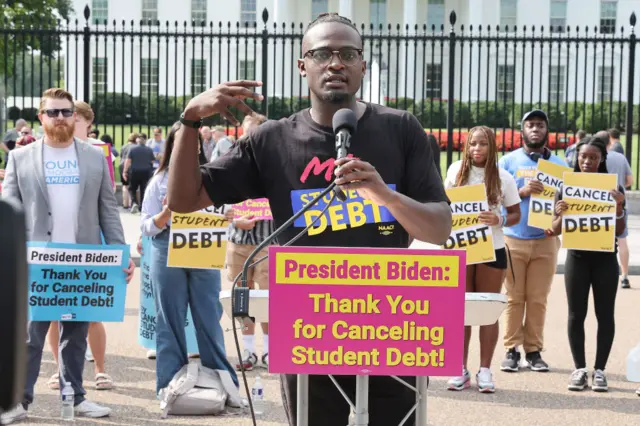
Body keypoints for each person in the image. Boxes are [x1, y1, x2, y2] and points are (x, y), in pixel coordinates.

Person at [166, 13, 452, 426]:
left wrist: (383, 194)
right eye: (322, 53)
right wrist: (191, 119)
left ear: (362, 66)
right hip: (310, 320)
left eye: (348, 54)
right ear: (303, 65)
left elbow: (439, 229)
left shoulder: (401, 128)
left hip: (390, 318)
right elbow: (184, 199)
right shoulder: (272, 140)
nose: (335, 63)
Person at [0, 88, 135, 424]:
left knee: (76, 334)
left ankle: (74, 396)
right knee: (31, 334)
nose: (59, 118)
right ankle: (18, 401)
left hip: (83, 261)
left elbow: (108, 208)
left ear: (76, 116)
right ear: (40, 118)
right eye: (52, 112)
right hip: (37, 262)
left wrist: (121, 252)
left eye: (65, 112)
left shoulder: (94, 157)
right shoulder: (20, 158)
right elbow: (9, 210)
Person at [140, 121, 238, 396]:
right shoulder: (158, 181)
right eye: (182, 139)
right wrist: (167, 213)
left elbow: (223, 216)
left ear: (199, 146)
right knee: (169, 318)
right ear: (173, 144)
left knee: (208, 316)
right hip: (166, 247)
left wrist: (228, 219)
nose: (188, 145)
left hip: (203, 249)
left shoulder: (211, 178)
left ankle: (222, 383)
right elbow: (146, 225)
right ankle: (169, 385)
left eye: (193, 140)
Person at [44, 100, 115, 391]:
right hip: (53, 244)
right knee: (52, 311)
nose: (67, 122)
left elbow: (107, 202)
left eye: (76, 119)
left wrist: (115, 248)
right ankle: (59, 368)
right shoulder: (45, 151)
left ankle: (100, 368)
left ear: (85, 122)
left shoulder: (98, 154)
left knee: (91, 311)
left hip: (89, 244)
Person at [444, 126, 521, 393]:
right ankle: (460, 368)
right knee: (461, 310)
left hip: (493, 247)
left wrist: (498, 219)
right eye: (473, 144)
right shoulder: (455, 171)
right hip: (462, 247)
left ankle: (485, 370)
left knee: (487, 310)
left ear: (492, 147)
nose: (477, 149)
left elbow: (516, 214)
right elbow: (446, 205)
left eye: (483, 144)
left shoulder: (504, 177)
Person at [551, 135, 626, 392]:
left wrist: (618, 207)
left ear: (601, 159)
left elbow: (621, 229)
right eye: (583, 157)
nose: (587, 161)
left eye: (593, 157)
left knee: (604, 314)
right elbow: (553, 229)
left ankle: (601, 370)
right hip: (577, 259)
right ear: (576, 157)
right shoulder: (566, 186)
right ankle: (580, 369)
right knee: (576, 314)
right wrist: (560, 214)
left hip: (605, 258)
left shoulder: (613, 188)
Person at [498, 109, 565, 373]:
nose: (535, 129)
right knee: (514, 297)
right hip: (513, 238)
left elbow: (568, 203)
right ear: (522, 131)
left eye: (539, 125)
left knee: (538, 298)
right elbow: (493, 196)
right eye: (530, 125)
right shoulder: (507, 162)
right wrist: (522, 190)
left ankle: (534, 350)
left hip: (546, 240)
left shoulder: (560, 166)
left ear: (546, 130)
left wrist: (561, 211)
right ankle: (512, 348)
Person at [223, 113, 274, 371]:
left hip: (268, 239)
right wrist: (233, 219)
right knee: (241, 299)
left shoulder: (278, 162)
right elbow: (217, 199)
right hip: (238, 240)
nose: (246, 138)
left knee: (266, 299)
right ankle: (247, 350)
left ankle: (269, 350)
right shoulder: (230, 160)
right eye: (244, 132)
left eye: (252, 133)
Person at [590, 131, 634, 289]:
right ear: (610, 142)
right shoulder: (620, 157)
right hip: (617, 202)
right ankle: (624, 276)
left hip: (595, 203)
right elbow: (630, 180)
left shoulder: (592, 156)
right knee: (622, 239)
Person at [123, 135, 155, 213]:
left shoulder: (132, 149)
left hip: (135, 171)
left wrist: (124, 171)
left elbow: (128, 161)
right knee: (144, 189)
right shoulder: (149, 150)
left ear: (137, 141)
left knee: (132, 188)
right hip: (146, 172)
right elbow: (152, 161)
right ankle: (142, 206)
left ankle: (134, 203)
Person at [119, 134, 137, 209]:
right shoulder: (135, 147)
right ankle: (131, 204)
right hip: (130, 166)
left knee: (125, 185)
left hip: (121, 165)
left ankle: (125, 203)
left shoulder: (124, 146)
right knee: (132, 186)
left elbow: (121, 156)